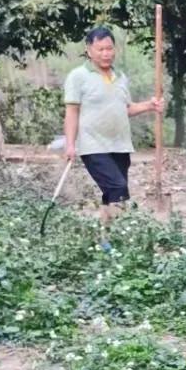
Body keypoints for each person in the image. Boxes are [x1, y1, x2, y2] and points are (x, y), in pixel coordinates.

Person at [63, 26, 164, 229]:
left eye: (109, 48)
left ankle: (106, 236)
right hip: (93, 146)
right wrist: (70, 144)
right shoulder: (78, 76)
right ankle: (121, 233)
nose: (106, 54)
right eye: (100, 49)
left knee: (113, 192)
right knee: (118, 188)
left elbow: (126, 108)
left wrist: (150, 105)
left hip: (120, 144)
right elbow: (72, 112)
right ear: (89, 50)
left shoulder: (120, 77)